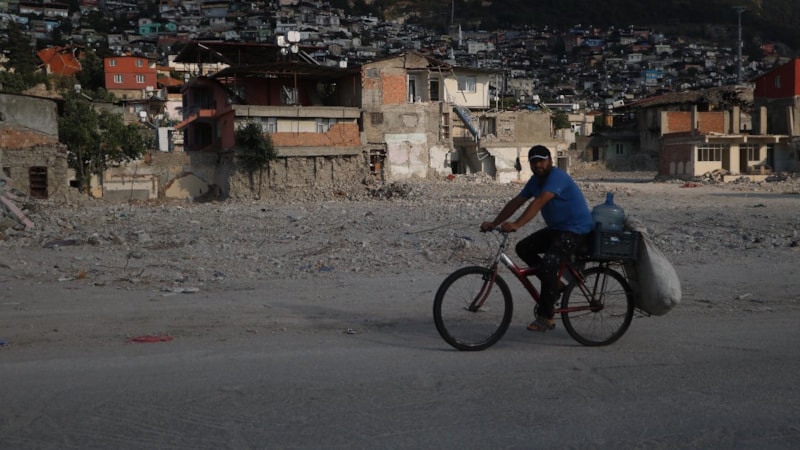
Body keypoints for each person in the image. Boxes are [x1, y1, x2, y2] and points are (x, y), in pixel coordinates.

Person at [480, 145, 594, 332]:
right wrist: (494, 223)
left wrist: (517, 224)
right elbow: (517, 202)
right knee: (523, 248)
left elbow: (539, 201)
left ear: (550, 161)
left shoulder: (557, 177)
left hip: (577, 231)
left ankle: (546, 317)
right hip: (557, 230)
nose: (538, 165)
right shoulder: (535, 181)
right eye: (534, 162)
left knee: (549, 263)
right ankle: (556, 285)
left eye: (541, 161)